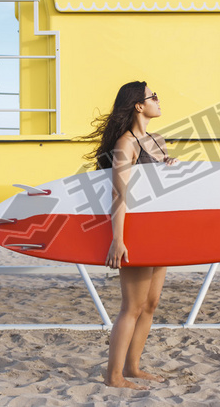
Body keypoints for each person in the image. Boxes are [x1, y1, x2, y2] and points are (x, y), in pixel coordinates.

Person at [85, 80, 177, 389]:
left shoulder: (157, 139)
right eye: (154, 96)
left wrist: (168, 164)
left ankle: (133, 367)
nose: (158, 100)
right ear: (139, 105)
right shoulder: (126, 144)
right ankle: (113, 376)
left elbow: (157, 185)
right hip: (133, 231)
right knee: (132, 306)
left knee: (150, 304)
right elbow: (119, 194)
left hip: (158, 229)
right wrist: (117, 240)